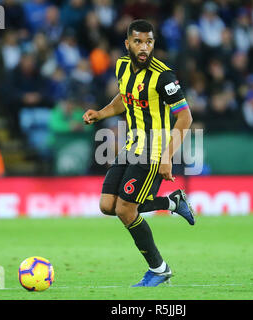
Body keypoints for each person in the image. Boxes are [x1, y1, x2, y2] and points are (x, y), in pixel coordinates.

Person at [82, 20, 195, 287]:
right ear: (127, 44)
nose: (144, 48)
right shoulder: (122, 65)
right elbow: (124, 97)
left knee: (125, 209)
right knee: (107, 206)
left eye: (149, 42)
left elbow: (185, 118)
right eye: (138, 42)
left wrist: (167, 156)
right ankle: (172, 203)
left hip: (153, 149)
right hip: (130, 146)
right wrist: (101, 113)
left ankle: (159, 269)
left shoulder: (163, 76)